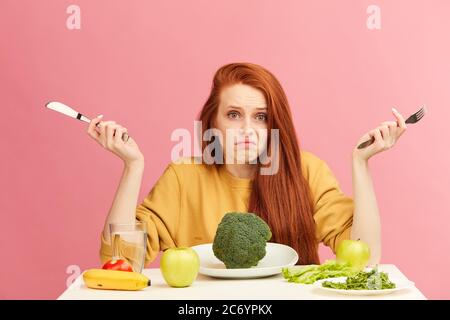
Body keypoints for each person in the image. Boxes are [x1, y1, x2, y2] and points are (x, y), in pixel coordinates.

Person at [87, 62, 406, 266]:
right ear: (212, 121)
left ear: (275, 125)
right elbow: (120, 263)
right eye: (233, 114)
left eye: (261, 117)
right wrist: (132, 168)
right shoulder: (183, 179)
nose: (247, 129)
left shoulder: (307, 172)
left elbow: (364, 260)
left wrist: (360, 165)